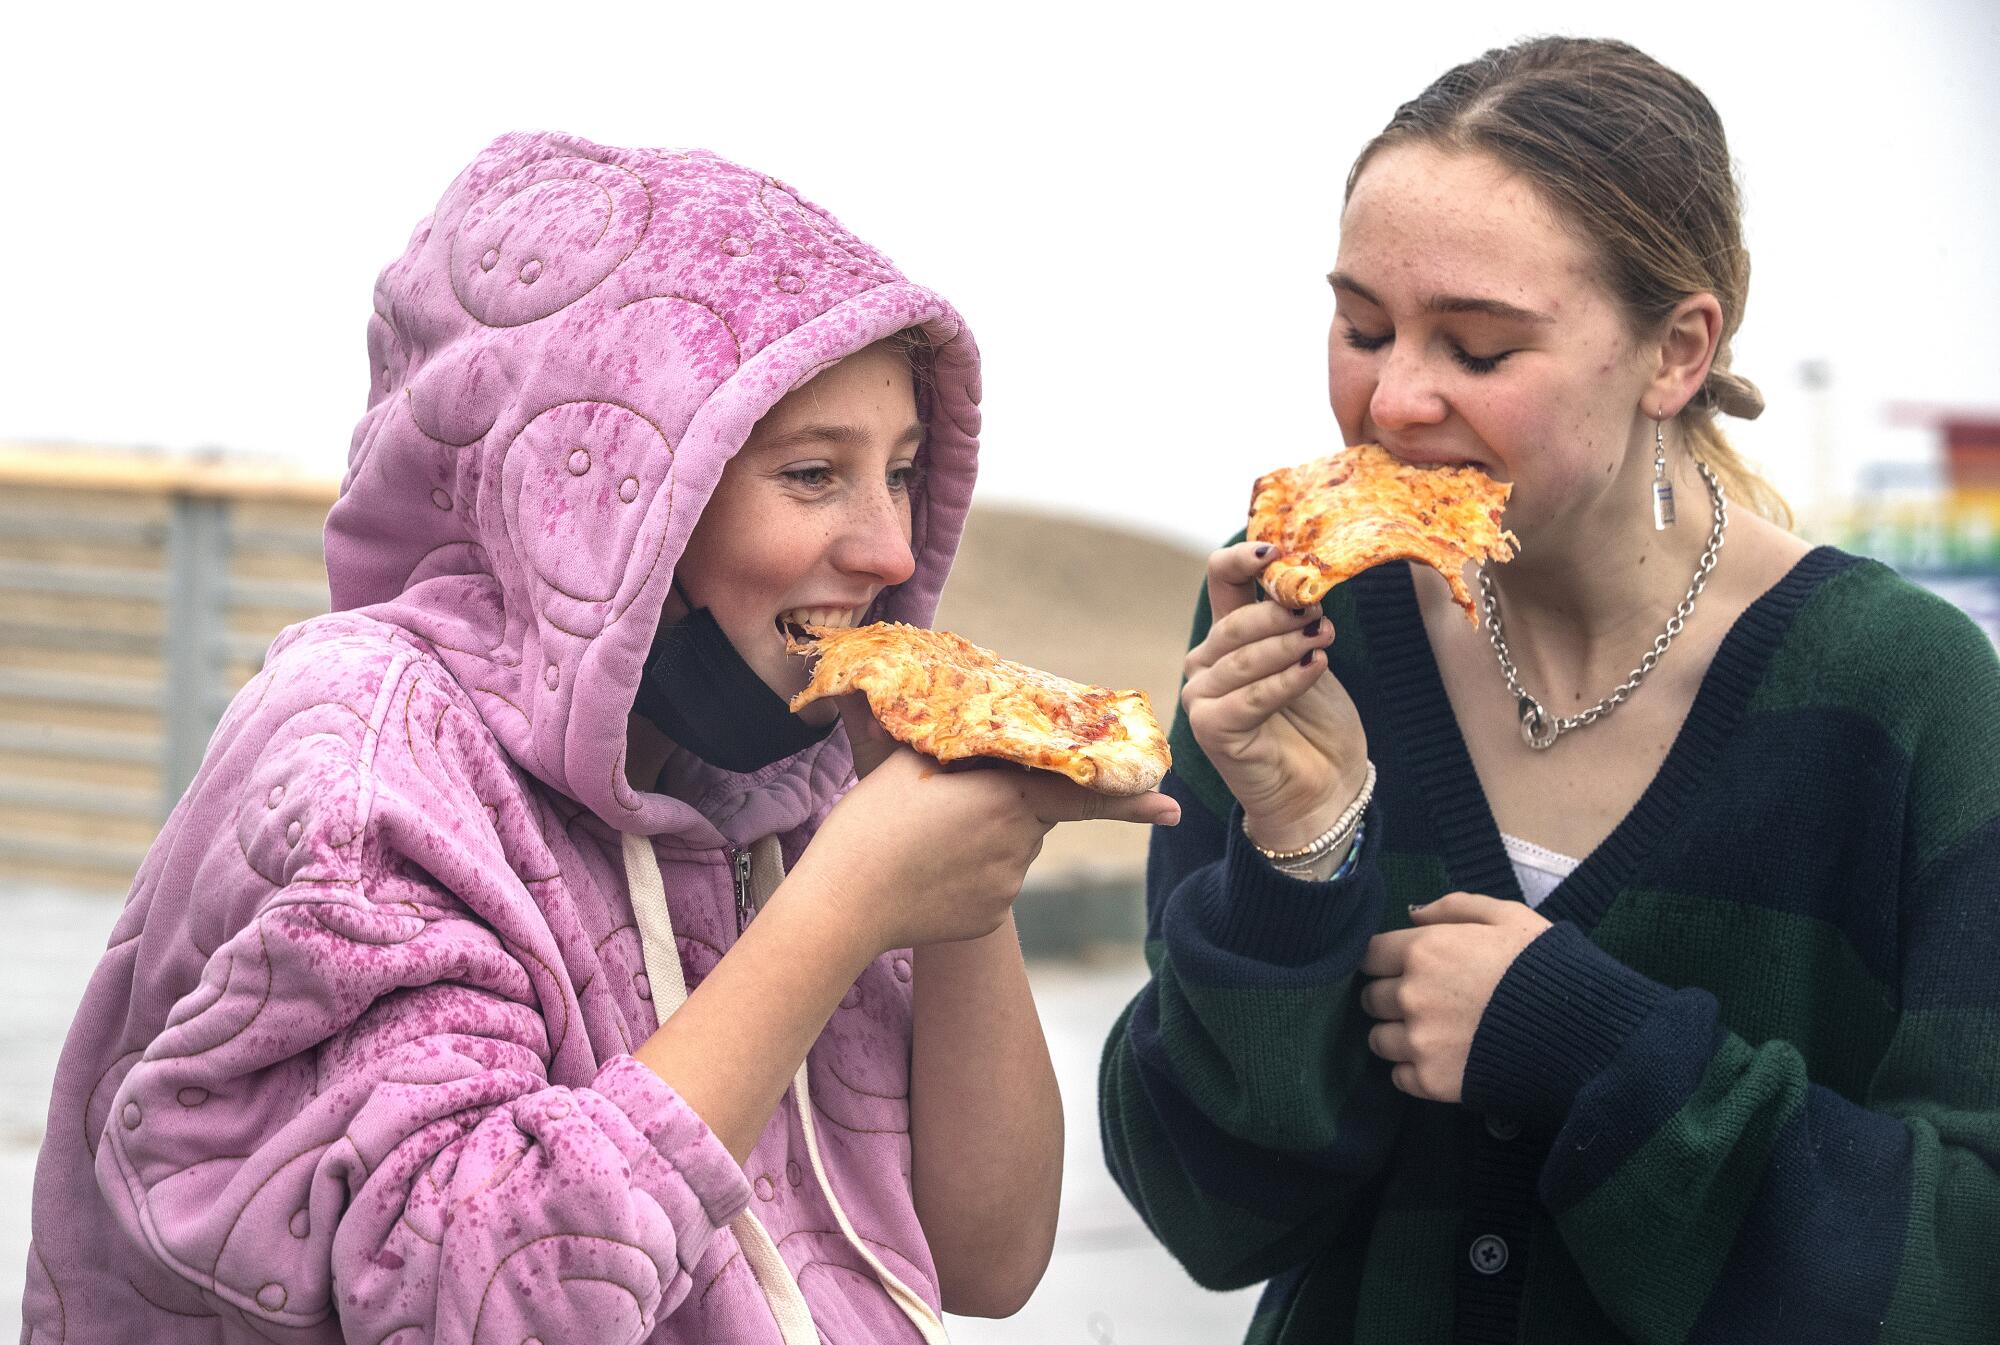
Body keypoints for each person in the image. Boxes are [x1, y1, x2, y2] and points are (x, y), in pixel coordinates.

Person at [24, 131, 1176, 1345]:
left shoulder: (790, 777)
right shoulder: (363, 767)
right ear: (605, 503)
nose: (889, 550)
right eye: (810, 475)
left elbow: (983, 1257)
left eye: (898, 474)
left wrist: (956, 873)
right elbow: (486, 1305)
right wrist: (838, 909)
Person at [1100, 36, 2000, 1344]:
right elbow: (1212, 1219)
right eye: (1362, 326)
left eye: (1475, 347)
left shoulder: (1907, 697)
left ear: (1676, 352)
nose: (1394, 398)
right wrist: (1296, 862)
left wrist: (1593, 1052)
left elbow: (1962, 1273)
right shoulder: (1297, 627)